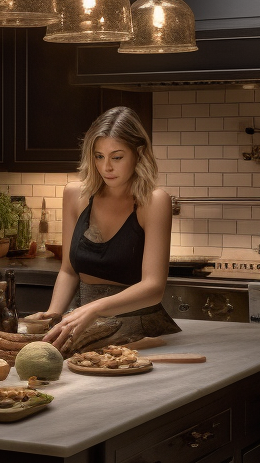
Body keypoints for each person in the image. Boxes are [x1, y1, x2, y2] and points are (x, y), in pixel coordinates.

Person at [29, 106, 180, 351]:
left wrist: (95, 309)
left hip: (139, 330)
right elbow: (68, 271)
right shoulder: (75, 194)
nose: (106, 167)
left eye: (117, 157)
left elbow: (153, 288)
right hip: (82, 324)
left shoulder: (154, 201)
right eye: (99, 156)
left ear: (138, 153)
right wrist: (54, 315)